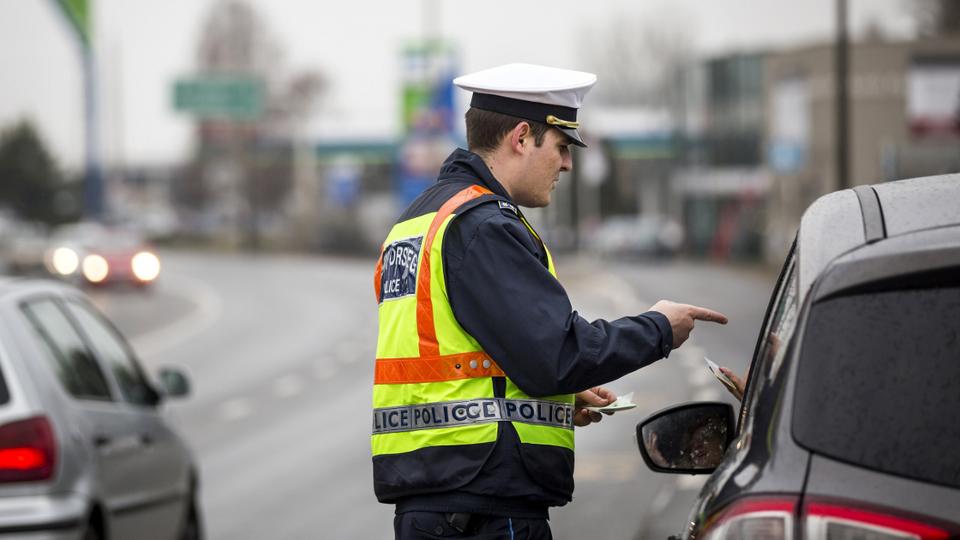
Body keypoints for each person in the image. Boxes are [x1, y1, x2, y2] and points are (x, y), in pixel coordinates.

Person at [372, 63, 728, 540]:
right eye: (561, 147)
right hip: (485, 508)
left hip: (438, 502)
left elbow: (456, 355)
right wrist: (659, 328)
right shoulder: (484, 226)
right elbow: (556, 354)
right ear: (521, 137)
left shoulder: (419, 221)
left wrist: (559, 396)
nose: (567, 165)